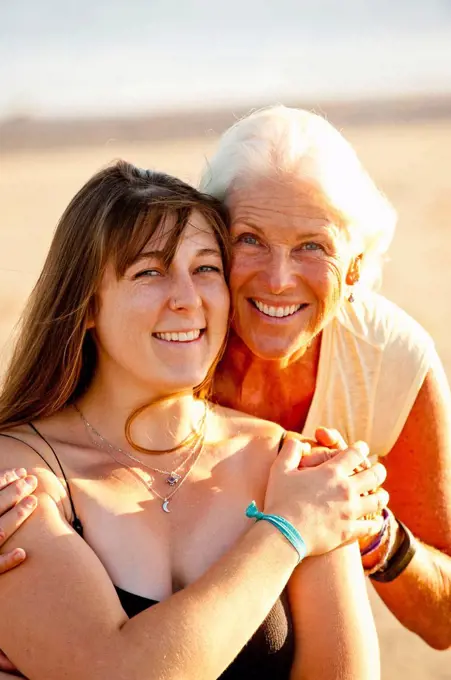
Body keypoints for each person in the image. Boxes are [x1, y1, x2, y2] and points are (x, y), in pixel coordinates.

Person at [0, 161, 386, 680]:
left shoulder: (294, 466)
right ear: (86, 304)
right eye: (150, 272)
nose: (187, 299)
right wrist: (287, 533)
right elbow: (116, 673)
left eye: (205, 268)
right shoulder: (22, 476)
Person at [200, 105, 451, 649]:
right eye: (250, 239)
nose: (278, 279)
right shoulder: (164, 334)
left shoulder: (393, 359)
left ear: (356, 267)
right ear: (212, 241)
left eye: (311, 246)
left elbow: (444, 621)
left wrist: (372, 529)